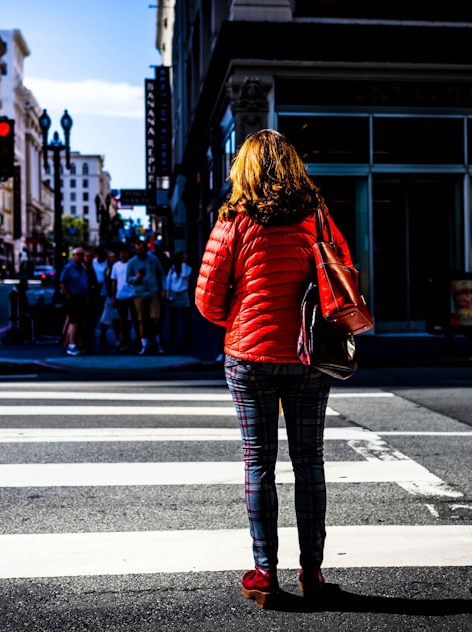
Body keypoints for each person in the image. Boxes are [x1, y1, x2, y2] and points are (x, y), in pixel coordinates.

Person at [196, 128, 350, 607]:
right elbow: (341, 276)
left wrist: (239, 320)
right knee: (310, 462)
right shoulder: (318, 219)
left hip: (249, 358)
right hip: (309, 357)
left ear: (244, 169)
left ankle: (265, 572)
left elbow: (207, 299)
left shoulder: (234, 222)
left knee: (258, 462)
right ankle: (313, 571)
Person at [127, 238, 166, 354]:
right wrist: (136, 278)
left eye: (141, 248)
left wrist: (163, 289)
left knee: (156, 318)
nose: (139, 251)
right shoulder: (132, 262)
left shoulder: (153, 259)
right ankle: (144, 344)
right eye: (137, 249)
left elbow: (161, 274)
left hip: (153, 292)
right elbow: (128, 279)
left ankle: (155, 340)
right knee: (141, 320)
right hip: (139, 294)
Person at [58, 247, 91, 356]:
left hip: (81, 296)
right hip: (73, 297)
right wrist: (68, 295)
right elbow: (62, 282)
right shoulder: (69, 267)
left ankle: (77, 343)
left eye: (82, 255)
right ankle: (71, 345)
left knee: (80, 321)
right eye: (78, 255)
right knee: (74, 321)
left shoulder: (82, 267)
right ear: (74, 256)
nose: (81, 257)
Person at [164, 250, 193, 347]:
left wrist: (183, 264)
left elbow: (184, 275)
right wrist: (168, 294)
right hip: (174, 294)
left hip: (183, 293)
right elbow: (168, 281)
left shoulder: (187, 268)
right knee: (173, 318)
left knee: (186, 318)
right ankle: (172, 338)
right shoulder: (173, 268)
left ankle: (187, 338)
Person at [109, 245, 135, 352]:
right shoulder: (116, 266)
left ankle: (135, 340)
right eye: (122, 253)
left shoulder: (132, 264)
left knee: (133, 319)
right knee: (122, 320)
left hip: (132, 295)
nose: (124, 255)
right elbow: (113, 281)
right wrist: (113, 296)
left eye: (125, 253)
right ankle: (124, 340)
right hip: (120, 295)